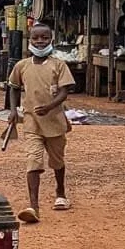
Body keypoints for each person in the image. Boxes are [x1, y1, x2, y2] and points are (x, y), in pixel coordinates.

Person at [6, 19, 74, 224]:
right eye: (36, 38)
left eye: (44, 38)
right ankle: (33, 206)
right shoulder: (22, 66)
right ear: (30, 40)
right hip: (31, 122)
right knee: (33, 160)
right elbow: (13, 87)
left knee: (57, 161)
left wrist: (50, 106)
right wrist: (12, 110)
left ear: (52, 39)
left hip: (54, 122)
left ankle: (60, 192)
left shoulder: (58, 65)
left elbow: (64, 91)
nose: (40, 42)